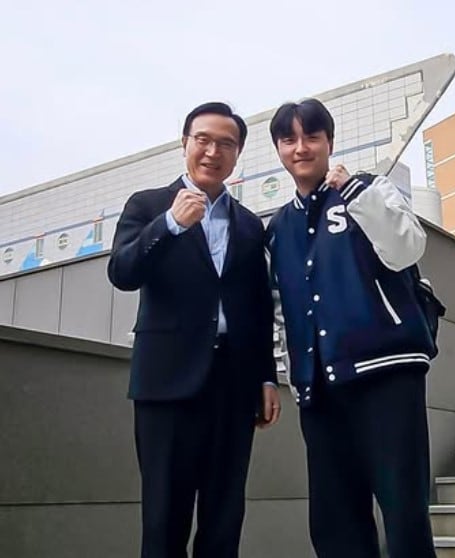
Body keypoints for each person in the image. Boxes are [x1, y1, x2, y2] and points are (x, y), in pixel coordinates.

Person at [108, 101, 280, 558]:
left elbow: (258, 308)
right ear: (184, 143)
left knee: (224, 518)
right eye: (203, 140)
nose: (212, 152)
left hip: (234, 385)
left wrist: (267, 376)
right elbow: (122, 273)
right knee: (164, 518)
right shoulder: (148, 205)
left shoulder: (249, 225)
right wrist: (169, 225)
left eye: (226, 143)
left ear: (237, 154)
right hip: (166, 383)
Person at [266, 98, 437, 558]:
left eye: (312, 137)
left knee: (403, 511)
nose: (301, 148)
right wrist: (289, 373)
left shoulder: (368, 189)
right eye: (289, 139)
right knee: (334, 521)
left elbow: (407, 249)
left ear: (330, 142)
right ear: (279, 149)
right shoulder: (278, 227)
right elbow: (280, 308)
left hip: (386, 373)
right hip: (319, 388)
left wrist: (357, 192)